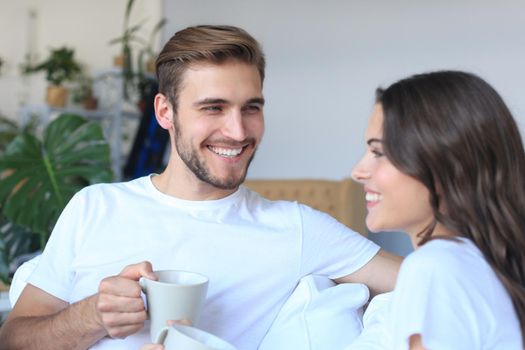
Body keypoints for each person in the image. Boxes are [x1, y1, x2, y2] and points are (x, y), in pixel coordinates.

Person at [0, 25, 401, 350]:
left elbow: (439, 280)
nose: (238, 131)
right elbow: (14, 339)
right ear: (164, 112)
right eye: (213, 108)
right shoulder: (95, 206)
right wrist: (91, 317)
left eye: (251, 108)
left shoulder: (297, 228)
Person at [351, 70, 525, 349]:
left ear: (445, 166)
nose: (357, 171)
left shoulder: (435, 268)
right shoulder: (480, 263)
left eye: (379, 153)